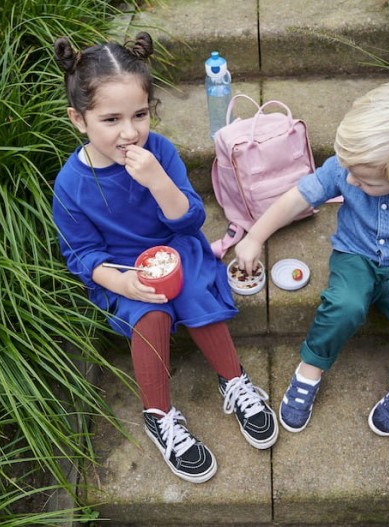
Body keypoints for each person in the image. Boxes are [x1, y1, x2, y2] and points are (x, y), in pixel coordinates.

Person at [51, 33, 278, 484]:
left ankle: (234, 380)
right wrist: (119, 282)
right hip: (123, 267)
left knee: (194, 291)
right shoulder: (71, 184)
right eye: (110, 119)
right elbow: (81, 253)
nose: (129, 132)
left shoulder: (161, 153)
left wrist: (158, 181)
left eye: (140, 114)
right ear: (79, 119)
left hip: (176, 247)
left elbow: (189, 220)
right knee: (150, 313)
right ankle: (159, 414)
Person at [235, 80, 389, 437]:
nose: (348, 179)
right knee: (344, 304)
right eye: (347, 170)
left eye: (363, 180)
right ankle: (310, 370)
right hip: (356, 255)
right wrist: (254, 236)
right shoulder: (351, 166)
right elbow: (300, 196)